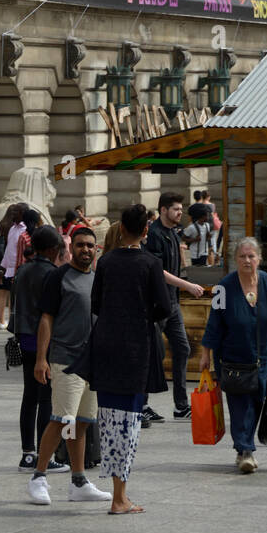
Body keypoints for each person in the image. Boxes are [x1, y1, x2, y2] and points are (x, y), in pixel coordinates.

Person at [85, 203, 172, 513]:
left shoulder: (106, 262)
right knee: (130, 422)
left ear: (120, 229)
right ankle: (120, 497)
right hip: (135, 349)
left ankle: (117, 493)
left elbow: (95, 303)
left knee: (109, 420)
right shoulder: (150, 263)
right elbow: (164, 307)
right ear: (145, 231)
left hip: (106, 346)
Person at [26, 227, 111, 506]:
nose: (85, 249)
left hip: (93, 362)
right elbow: (46, 319)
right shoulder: (57, 276)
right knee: (62, 419)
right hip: (65, 358)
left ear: (96, 249)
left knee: (82, 422)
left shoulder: (97, 280)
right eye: (80, 245)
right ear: (70, 248)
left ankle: (78, 481)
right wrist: (41, 359)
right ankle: (38, 476)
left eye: (90, 245)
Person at [199, 237, 267, 472]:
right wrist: (205, 353)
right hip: (233, 358)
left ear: (259, 259)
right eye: (242, 256)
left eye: (251, 256)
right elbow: (214, 323)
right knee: (240, 403)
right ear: (235, 260)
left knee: (258, 400)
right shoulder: (223, 287)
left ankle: (244, 446)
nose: (247, 260)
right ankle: (245, 449)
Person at [11, 224, 70, 475]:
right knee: (46, 398)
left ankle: (28, 453)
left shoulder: (23, 270)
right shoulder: (52, 274)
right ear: (54, 249)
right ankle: (45, 457)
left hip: (24, 337)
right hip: (44, 340)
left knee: (29, 397)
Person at [143, 192, 206, 419]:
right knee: (152, 354)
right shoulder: (155, 235)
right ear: (163, 210)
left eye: (181, 209)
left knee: (182, 348)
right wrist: (186, 285)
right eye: (176, 209)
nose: (180, 213)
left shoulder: (173, 232)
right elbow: (157, 270)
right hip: (157, 304)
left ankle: (180, 406)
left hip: (172, 303)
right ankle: (142, 405)